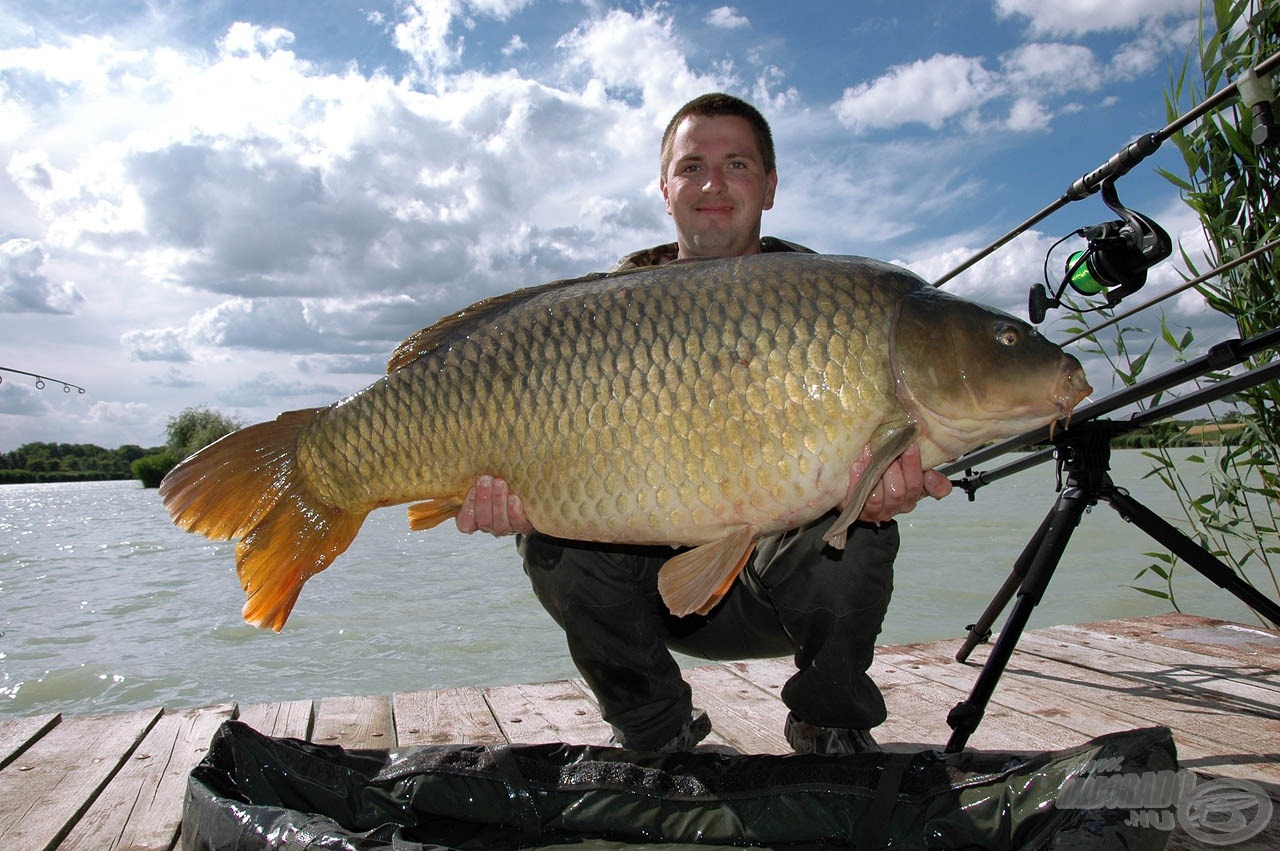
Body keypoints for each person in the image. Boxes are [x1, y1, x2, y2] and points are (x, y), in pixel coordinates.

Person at [457, 93, 952, 754]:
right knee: (550, 538)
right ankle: (656, 730)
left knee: (858, 530)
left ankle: (829, 720)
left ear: (770, 186)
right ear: (665, 189)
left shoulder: (832, 300)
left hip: (772, 594)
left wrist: (878, 496)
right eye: (691, 166)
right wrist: (509, 500)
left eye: (737, 164)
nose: (712, 183)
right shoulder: (607, 311)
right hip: (642, 600)